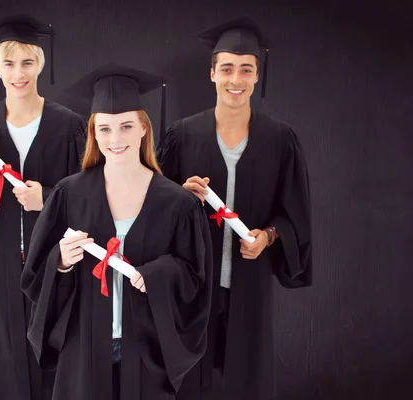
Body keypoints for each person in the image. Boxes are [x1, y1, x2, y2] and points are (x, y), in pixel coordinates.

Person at [20, 63, 216, 400]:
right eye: (105, 129)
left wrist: (157, 274)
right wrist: (62, 260)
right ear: (94, 133)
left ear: (143, 128)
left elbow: (196, 280)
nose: (115, 139)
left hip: (144, 351)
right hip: (84, 346)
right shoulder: (69, 194)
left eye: (126, 126)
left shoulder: (176, 203)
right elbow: (36, 273)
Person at [158, 17, 313, 400]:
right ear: (212, 73)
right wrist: (180, 193)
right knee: (189, 380)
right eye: (226, 68)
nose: (236, 79)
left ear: (257, 76)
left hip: (249, 281)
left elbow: (293, 213)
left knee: (249, 382)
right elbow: (152, 204)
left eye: (246, 69)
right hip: (194, 281)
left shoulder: (280, 139)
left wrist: (268, 236)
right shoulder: (182, 134)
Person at [0, 13, 86, 400]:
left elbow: (92, 192)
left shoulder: (69, 125)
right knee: (4, 359)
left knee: (56, 355)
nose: (18, 73)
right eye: (9, 63)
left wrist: (48, 197)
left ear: (39, 64)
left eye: (27, 62)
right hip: (1, 264)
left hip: (54, 263)